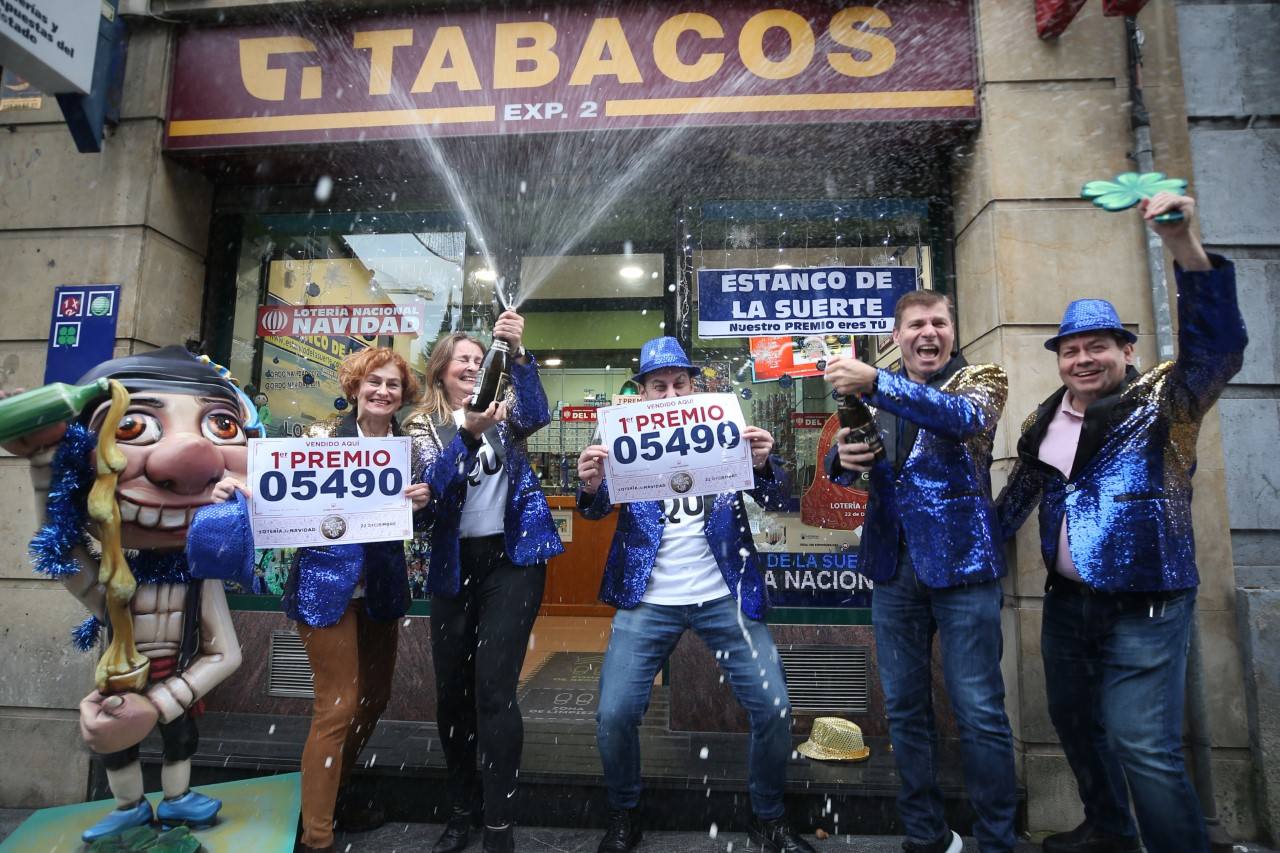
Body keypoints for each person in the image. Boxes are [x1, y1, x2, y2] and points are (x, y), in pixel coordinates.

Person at [996, 192, 1246, 853]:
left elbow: (1217, 345)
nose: (1083, 359)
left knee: (1142, 741)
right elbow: (1020, 495)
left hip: (1147, 603)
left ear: (1127, 352)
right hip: (1067, 604)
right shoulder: (1043, 423)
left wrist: (1183, 247)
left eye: (1098, 346)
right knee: (1076, 723)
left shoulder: (1169, 403)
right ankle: (1110, 828)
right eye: (1071, 349)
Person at [1, 347, 259, 843]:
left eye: (222, 427)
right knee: (115, 745)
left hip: (171, 685)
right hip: (120, 678)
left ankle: (179, 797)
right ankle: (130, 804)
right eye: (132, 427)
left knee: (179, 736)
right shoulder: (114, 581)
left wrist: (159, 705)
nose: (186, 463)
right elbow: (65, 557)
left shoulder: (199, 580)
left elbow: (225, 654)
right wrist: (42, 465)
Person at [576, 336, 816, 853]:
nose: (669, 392)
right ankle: (624, 812)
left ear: (694, 387)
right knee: (614, 713)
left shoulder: (726, 432)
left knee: (774, 708)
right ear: (641, 393)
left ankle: (768, 816)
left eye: (679, 383)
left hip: (723, 593)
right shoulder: (622, 438)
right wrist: (592, 485)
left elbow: (773, 500)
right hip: (648, 598)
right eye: (657, 385)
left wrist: (767, 462)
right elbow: (594, 513)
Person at [216, 346, 430, 853]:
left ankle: (336, 793)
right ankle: (317, 837)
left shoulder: (411, 449)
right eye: (373, 381)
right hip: (325, 586)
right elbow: (277, 495)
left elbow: (420, 522)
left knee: (372, 703)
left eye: (393, 385)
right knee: (337, 707)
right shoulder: (317, 438)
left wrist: (423, 503)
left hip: (380, 588)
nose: (382, 391)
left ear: (403, 396)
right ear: (354, 386)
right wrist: (238, 489)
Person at [824, 294, 1017, 853]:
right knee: (906, 710)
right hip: (893, 568)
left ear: (954, 330)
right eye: (916, 325)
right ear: (897, 334)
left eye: (939, 322)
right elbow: (866, 462)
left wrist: (874, 384)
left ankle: (998, 842)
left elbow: (961, 421)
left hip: (964, 570)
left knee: (979, 711)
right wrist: (844, 457)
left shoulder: (982, 379)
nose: (928, 333)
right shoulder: (872, 392)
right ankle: (926, 836)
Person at [404, 309, 563, 853]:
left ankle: (499, 822)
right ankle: (460, 811)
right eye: (462, 360)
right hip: (454, 564)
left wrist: (517, 355)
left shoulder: (505, 409)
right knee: (453, 695)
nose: (472, 366)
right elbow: (434, 493)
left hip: (513, 562)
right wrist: (465, 436)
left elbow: (539, 413)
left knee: (494, 691)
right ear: (441, 373)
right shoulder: (421, 427)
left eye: (480, 358)